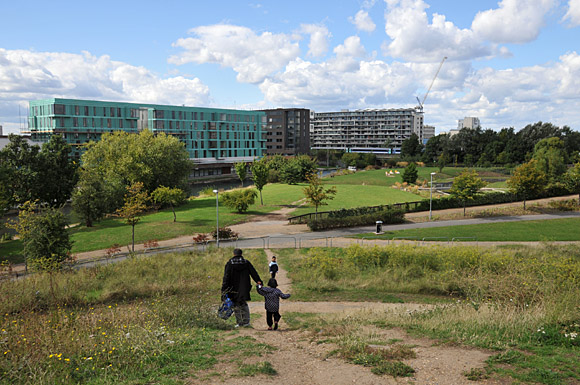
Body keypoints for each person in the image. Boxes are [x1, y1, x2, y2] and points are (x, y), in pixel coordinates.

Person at [221, 248, 262, 327]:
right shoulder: (246, 262)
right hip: (244, 286)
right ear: (241, 254)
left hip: (233, 287)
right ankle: (246, 321)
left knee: (236, 304)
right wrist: (258, 281)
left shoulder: (229, 263)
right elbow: (253, 272)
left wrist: (224, 289)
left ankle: (239, 322)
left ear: (234, 254)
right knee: (243, 303)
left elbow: (226, 277)